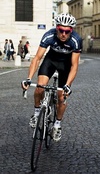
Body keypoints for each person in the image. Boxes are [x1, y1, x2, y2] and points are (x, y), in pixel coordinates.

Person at [21, 13, 82, 142]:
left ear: (71, 31)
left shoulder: (76, 40)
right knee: (39, 88)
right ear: (57, 28)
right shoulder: (49, 35)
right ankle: (37, 113)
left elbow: (74, 66)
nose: (64, 34)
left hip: (66, 65)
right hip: (51, 61)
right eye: (61, 30)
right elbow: (37, 58)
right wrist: (28, 78)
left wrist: (67, 85)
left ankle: (57, 125)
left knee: (62, 97)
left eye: (67, 31)